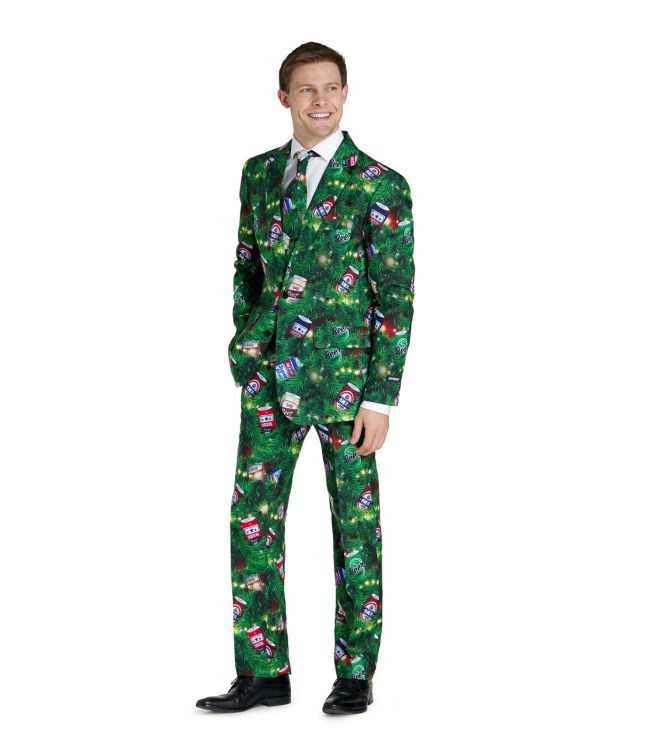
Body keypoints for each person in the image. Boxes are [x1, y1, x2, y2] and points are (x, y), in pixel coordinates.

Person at [196, 41, 415, 715]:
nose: (321, 101)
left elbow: (395, 297)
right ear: (284, 97)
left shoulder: (379, 183)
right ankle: (263, 671)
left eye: (332, 88)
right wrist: (249, 346)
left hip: (347, 384)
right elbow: (247, 266)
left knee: (355, 527)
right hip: (270, 377)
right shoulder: (260, 174)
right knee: (251, 519)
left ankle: (355, 673)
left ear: (345, 94)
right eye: (306, 89)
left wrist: (380, 397)